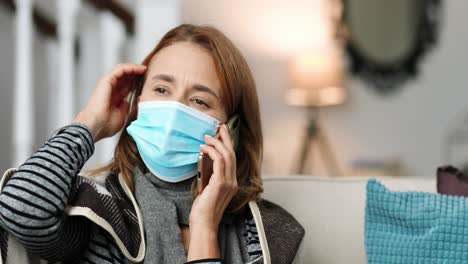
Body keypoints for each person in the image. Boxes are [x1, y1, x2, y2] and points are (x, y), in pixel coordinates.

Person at [0, 24, 304, 264]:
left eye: (199, 100)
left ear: (232, 130)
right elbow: (20, 209)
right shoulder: (100, 208)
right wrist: (89, 123)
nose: (173, 111)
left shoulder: (269, 231)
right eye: (161, 89)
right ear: (139, 102)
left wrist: (204, 229)